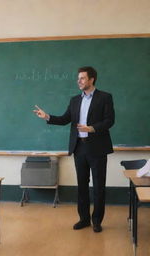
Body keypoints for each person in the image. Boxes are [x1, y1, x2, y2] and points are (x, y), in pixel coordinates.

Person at [34, 66, 115, 233]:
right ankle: (84, 219)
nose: (79, 81)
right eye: (78, 78)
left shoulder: (105, 97)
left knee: (99, 186)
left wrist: (92, 128)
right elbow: (65, 119)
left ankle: (97, 221)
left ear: (92, 79)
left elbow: (109, 120)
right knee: (82, 186)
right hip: (79, 148)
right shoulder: (74, 100)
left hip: (98, 148)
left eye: (83, 78)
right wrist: (47, 116)